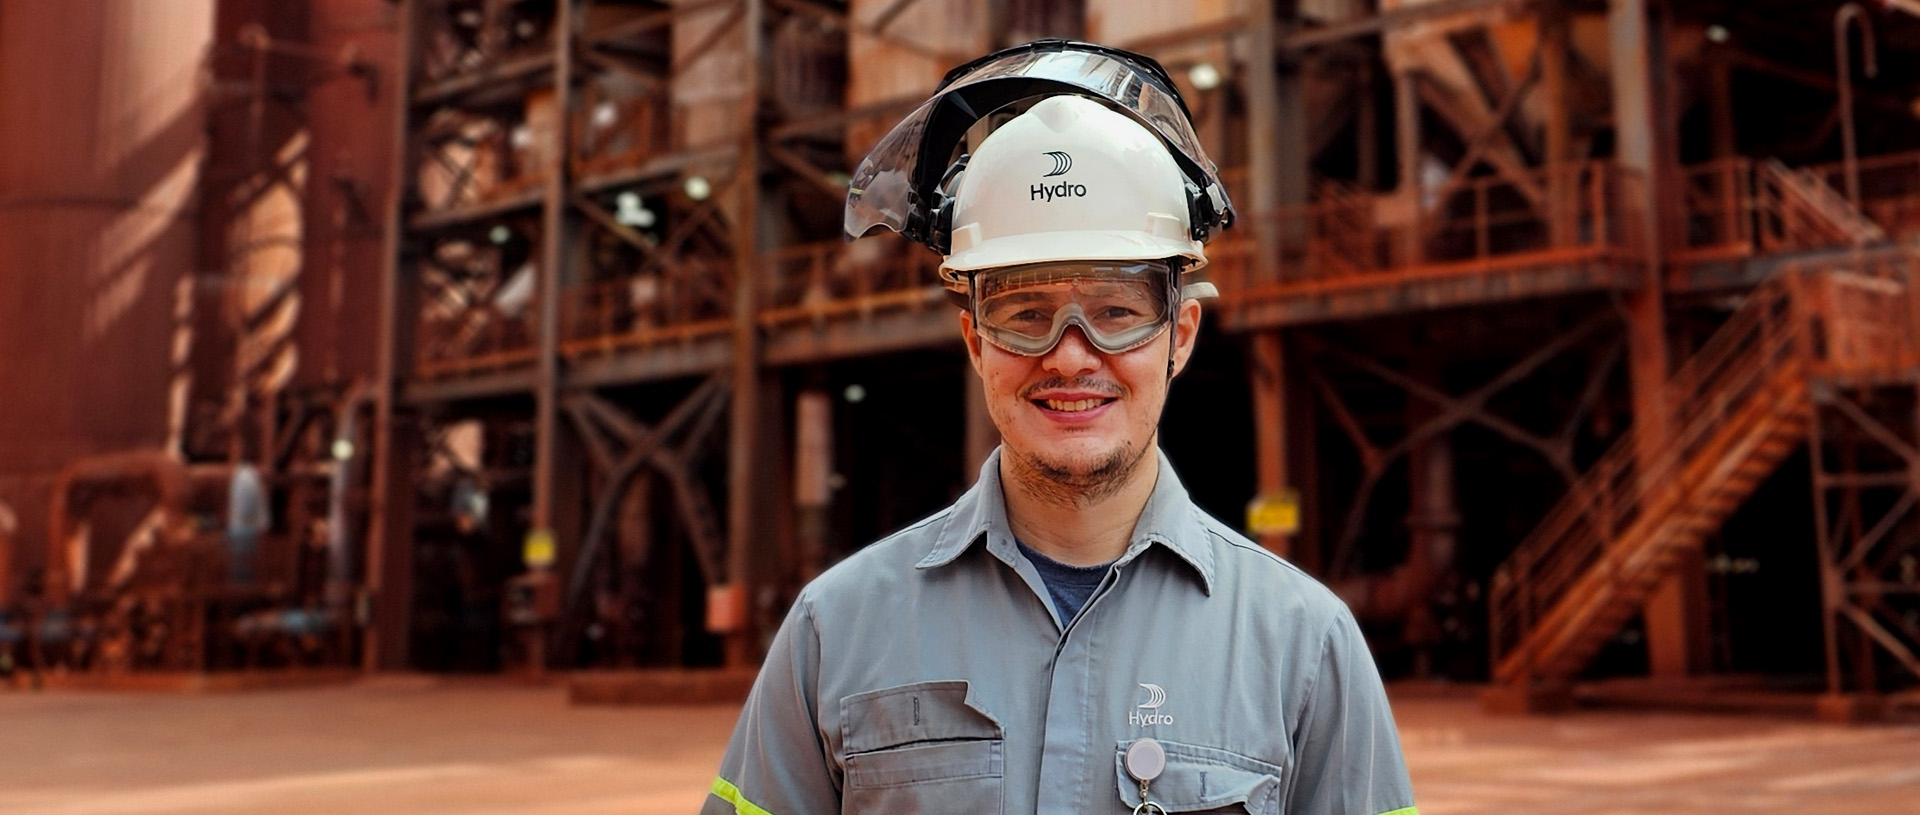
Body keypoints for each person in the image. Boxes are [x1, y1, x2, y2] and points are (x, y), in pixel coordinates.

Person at [704, 40, 1416, 815]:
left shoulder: (1305, 646)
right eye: (1025, 313)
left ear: (1180, 335)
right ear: (975, 341)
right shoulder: (834, 631)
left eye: (1116, 310)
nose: (1071, 354)